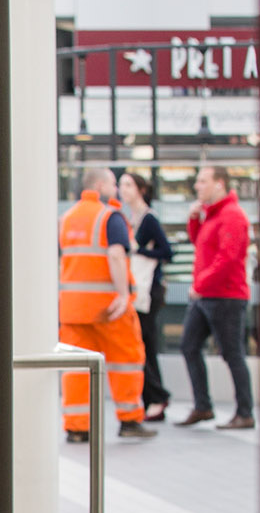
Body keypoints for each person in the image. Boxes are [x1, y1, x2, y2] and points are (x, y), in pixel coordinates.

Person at [57, 167, 152, 441]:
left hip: (74, 309)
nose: (117, 189)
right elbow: (116, 255)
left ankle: (76, 427)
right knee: (126, 361)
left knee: (76, 369)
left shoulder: (67, 218)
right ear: (99, 185)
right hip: (109, 308)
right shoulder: (109, 216)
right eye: (112, 183)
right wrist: (123, 295)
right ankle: (130, 420)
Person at [178, 164, 255, 430]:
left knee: (232, 354)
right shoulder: (210, 216)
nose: (197, 186)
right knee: (189, 346)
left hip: (225, 297)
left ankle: (245, 413)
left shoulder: (231, 215)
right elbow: (201, 245)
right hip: (205, 295)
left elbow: (228, 258)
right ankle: (203, 407)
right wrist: (193, 220)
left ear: (219, 184)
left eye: (202, 181)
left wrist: (200, 284)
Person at [119, 172, 176, 422]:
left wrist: (138, 250)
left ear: (141, 189)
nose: (123, 189)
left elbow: (167, 251)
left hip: (148, 292)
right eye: (121, 184)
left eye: (128, 185)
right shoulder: (133, 217)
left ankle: (157, 396)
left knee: (144, 345)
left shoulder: (149, 218)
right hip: (139, 290)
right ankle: (152, 399)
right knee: (143, 344)